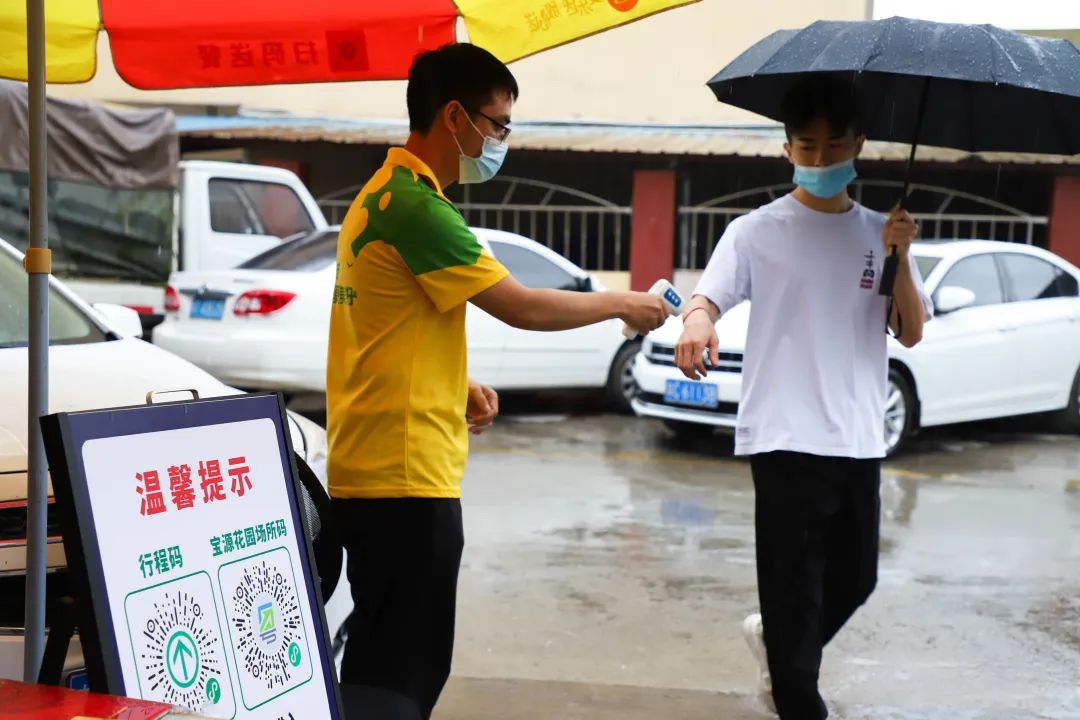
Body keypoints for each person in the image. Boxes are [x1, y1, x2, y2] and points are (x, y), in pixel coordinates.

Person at [325, 43, 668, 719]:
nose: (501, 141)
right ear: (455, 117)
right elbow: (522, 305)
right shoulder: (416, 208)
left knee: (384, 657)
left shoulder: (380, 196)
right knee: (402, 675)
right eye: (498, 124)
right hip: (405, 479)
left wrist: (456, 382)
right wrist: (622, 303)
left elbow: (385, 329)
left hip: (375, 468)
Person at [675, 76, 933, 720]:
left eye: (834, 145)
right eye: (808, 146)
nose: (820, 158)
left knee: (857, 577)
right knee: (794, 595)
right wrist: (698, 322)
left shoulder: (880, 232)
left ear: (859, 145)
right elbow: (708, 296)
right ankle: (794, 684)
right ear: (787, 149)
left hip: (857, 435)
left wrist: (900, 257)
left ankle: (779, 643)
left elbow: (910, 331)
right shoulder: (755, 231)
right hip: (783, 434)